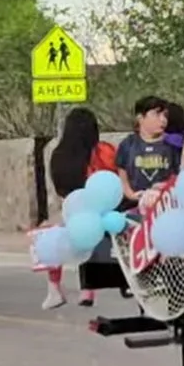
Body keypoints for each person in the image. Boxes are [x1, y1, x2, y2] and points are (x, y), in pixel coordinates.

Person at [42, 107, 124, 310]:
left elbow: (58, 185)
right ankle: (87, 289)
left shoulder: (58, 154)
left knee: (53, 240)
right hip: (103, 210)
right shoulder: (102, 151)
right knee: (91, 236)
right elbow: (115, 176)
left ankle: (54, 289)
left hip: (72, 207)